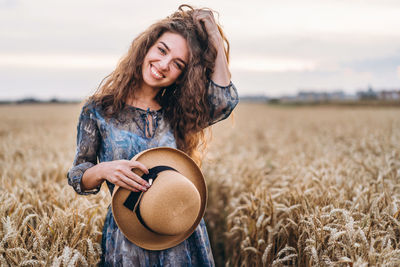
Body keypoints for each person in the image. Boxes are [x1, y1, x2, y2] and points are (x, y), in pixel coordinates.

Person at [67, 4, 239, 266]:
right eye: (162, 50)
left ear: (183, 75)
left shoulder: (180, 112)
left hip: (181, 232)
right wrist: (104, 171)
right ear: (146, 47)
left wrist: (215, 39)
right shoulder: (99, 111)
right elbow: (78, 176)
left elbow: (224, 101)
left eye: (178, 64)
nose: (163, 65)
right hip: (128, 239)